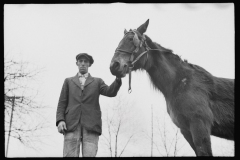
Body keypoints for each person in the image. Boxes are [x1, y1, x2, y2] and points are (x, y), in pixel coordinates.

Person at [56, 53, 122, 157]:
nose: (83, 63)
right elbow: (62, 103)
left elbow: (110, 92)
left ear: (89, 64)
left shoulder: (97, 81)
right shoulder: (68, 81)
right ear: (76, 63)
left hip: (91, 125)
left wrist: (118, 78)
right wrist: (60, 120)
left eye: (85, 61)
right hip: (71, 124)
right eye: (80, 61)